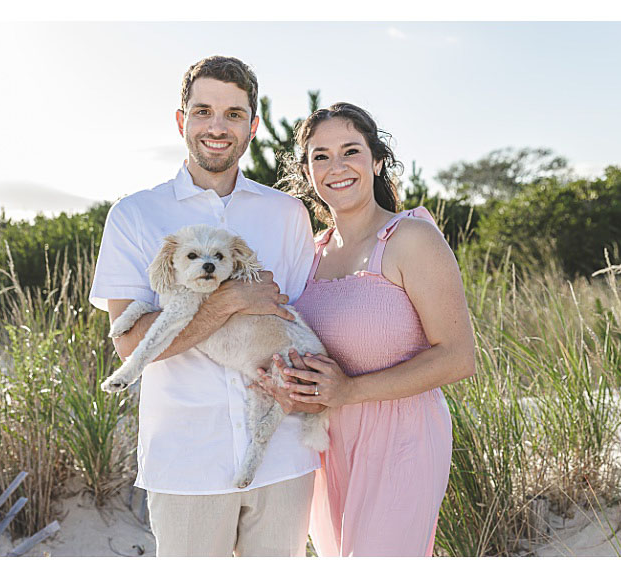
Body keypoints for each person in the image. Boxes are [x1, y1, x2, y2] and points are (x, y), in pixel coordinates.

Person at [89, 55, 325, 556]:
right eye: (203, 111)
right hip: (187, 462)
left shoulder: (287, 215)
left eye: (234, 114)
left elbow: (306, 324)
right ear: (181, 120)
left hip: (283, 456)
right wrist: (232, 300)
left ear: (253, 126)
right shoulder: (133, 216)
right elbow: (129, 344)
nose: (217, 127)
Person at [254, 102, 476, 556]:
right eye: (320, 156)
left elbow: (458, 357)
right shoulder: (307, 256)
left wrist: (349, 391)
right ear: (307, 172)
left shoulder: (411, 239)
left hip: (404, 437)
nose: (336, 167)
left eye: (350, 151)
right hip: (323, 441)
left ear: (376, 161)